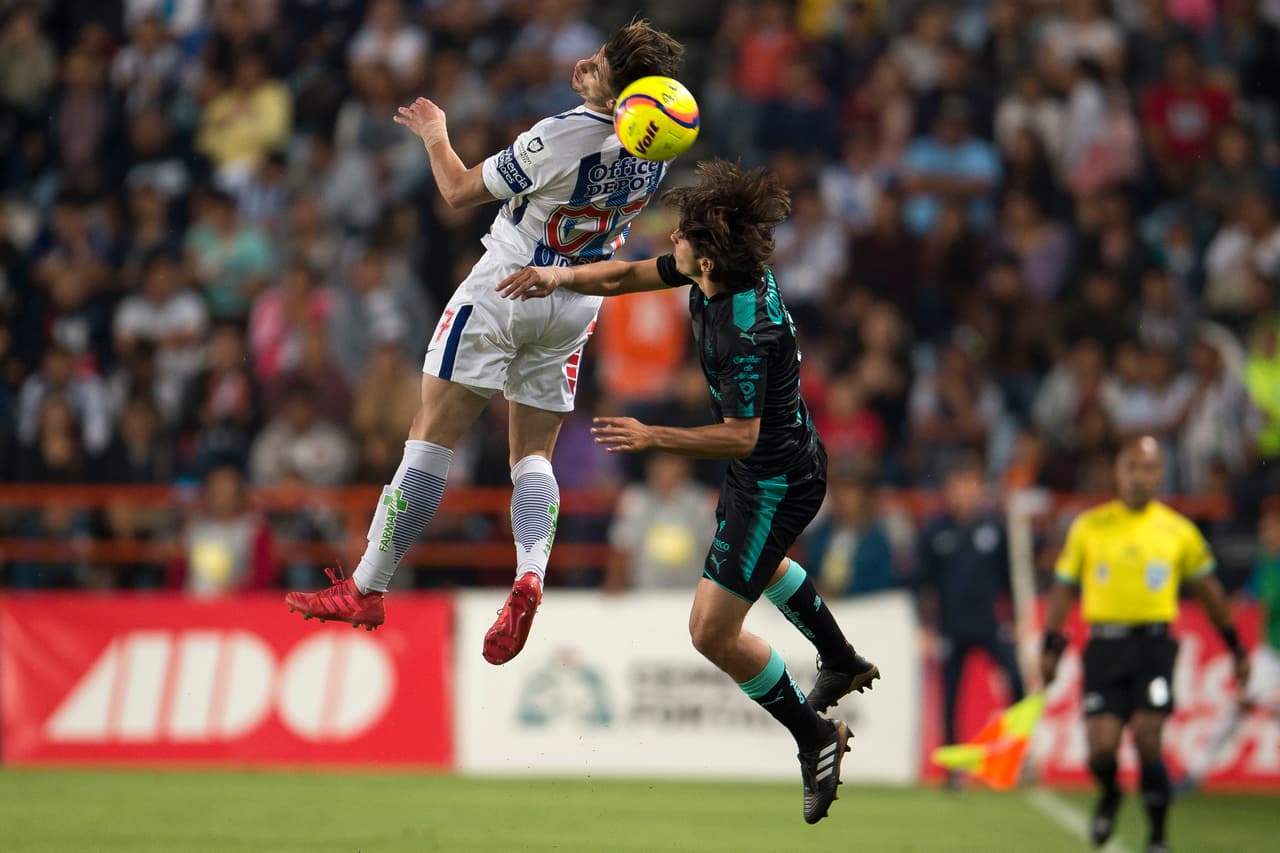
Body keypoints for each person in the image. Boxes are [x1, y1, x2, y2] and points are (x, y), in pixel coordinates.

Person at [283, 21, 685, 664]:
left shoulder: (559, 136)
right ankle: (531, 573)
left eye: (601, 62)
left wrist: (435, 133)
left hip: (505, 286)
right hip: (574, 299)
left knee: (430, 431)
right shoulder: (658, 146)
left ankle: (368, 585)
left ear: (619, 89)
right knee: (532, 454)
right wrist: (602, 95)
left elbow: (457, 190)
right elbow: (619, 126)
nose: (586, 61)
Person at [498, 159, 878, 824]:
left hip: (775, 480)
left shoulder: (744, 330)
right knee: (756, 569)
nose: (668, 240)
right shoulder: (716, 270)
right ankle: (841, 657)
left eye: (680, 234)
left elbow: (738, 434)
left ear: (703, 257)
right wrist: (554, 275)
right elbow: (623, 274)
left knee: (710, 629)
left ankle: (813, 734)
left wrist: (653, 436)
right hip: (765, 470)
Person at [1040, 437, 1251, 853]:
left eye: (1147, 468)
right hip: (1105, 646)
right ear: (1118, 473)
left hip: (1153, 646)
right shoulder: (1089, 526)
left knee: (1148, 734)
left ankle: (1157, 835)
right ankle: (1111, 793)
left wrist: (1236, 647)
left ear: (1159, 474)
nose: (1138, 476)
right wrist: (1050, 643)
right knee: (1101, 747)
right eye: (1131, 467)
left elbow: (1209, 593)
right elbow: (1064, 588)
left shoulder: (1178, 531)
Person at [918, 457, 1024, 765]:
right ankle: (953, 765)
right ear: (948, 490)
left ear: (979, 489)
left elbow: (1009, 579)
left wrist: (1015, 620)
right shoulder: (935, 531)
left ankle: (1015, 751)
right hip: (951, 625)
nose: (964, 493)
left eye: (969, 485)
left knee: (1017, 678)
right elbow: (924, 584)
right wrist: (926, 626)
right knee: (950, 696)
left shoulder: (994, 527)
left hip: (989, 624)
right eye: (957, 486)